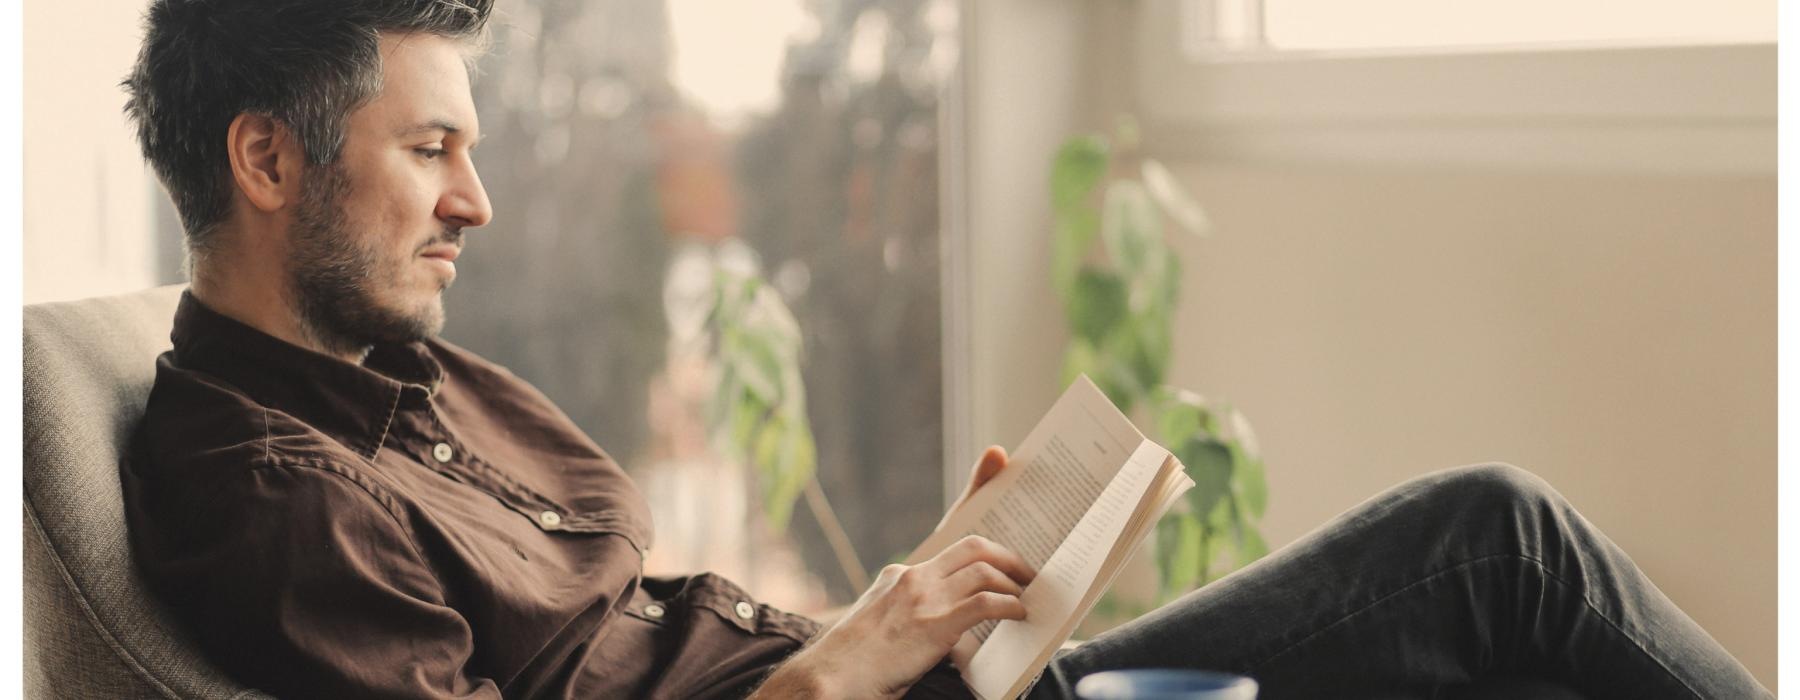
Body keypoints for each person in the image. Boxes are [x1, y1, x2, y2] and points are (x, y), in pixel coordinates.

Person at [116, 1, 1769, 698]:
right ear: (267, 162)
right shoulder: (264, 491)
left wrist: (895, 605)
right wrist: (844, 668)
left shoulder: (397, 375)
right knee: (1498, 546)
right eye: (429, 151)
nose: (476, 200)